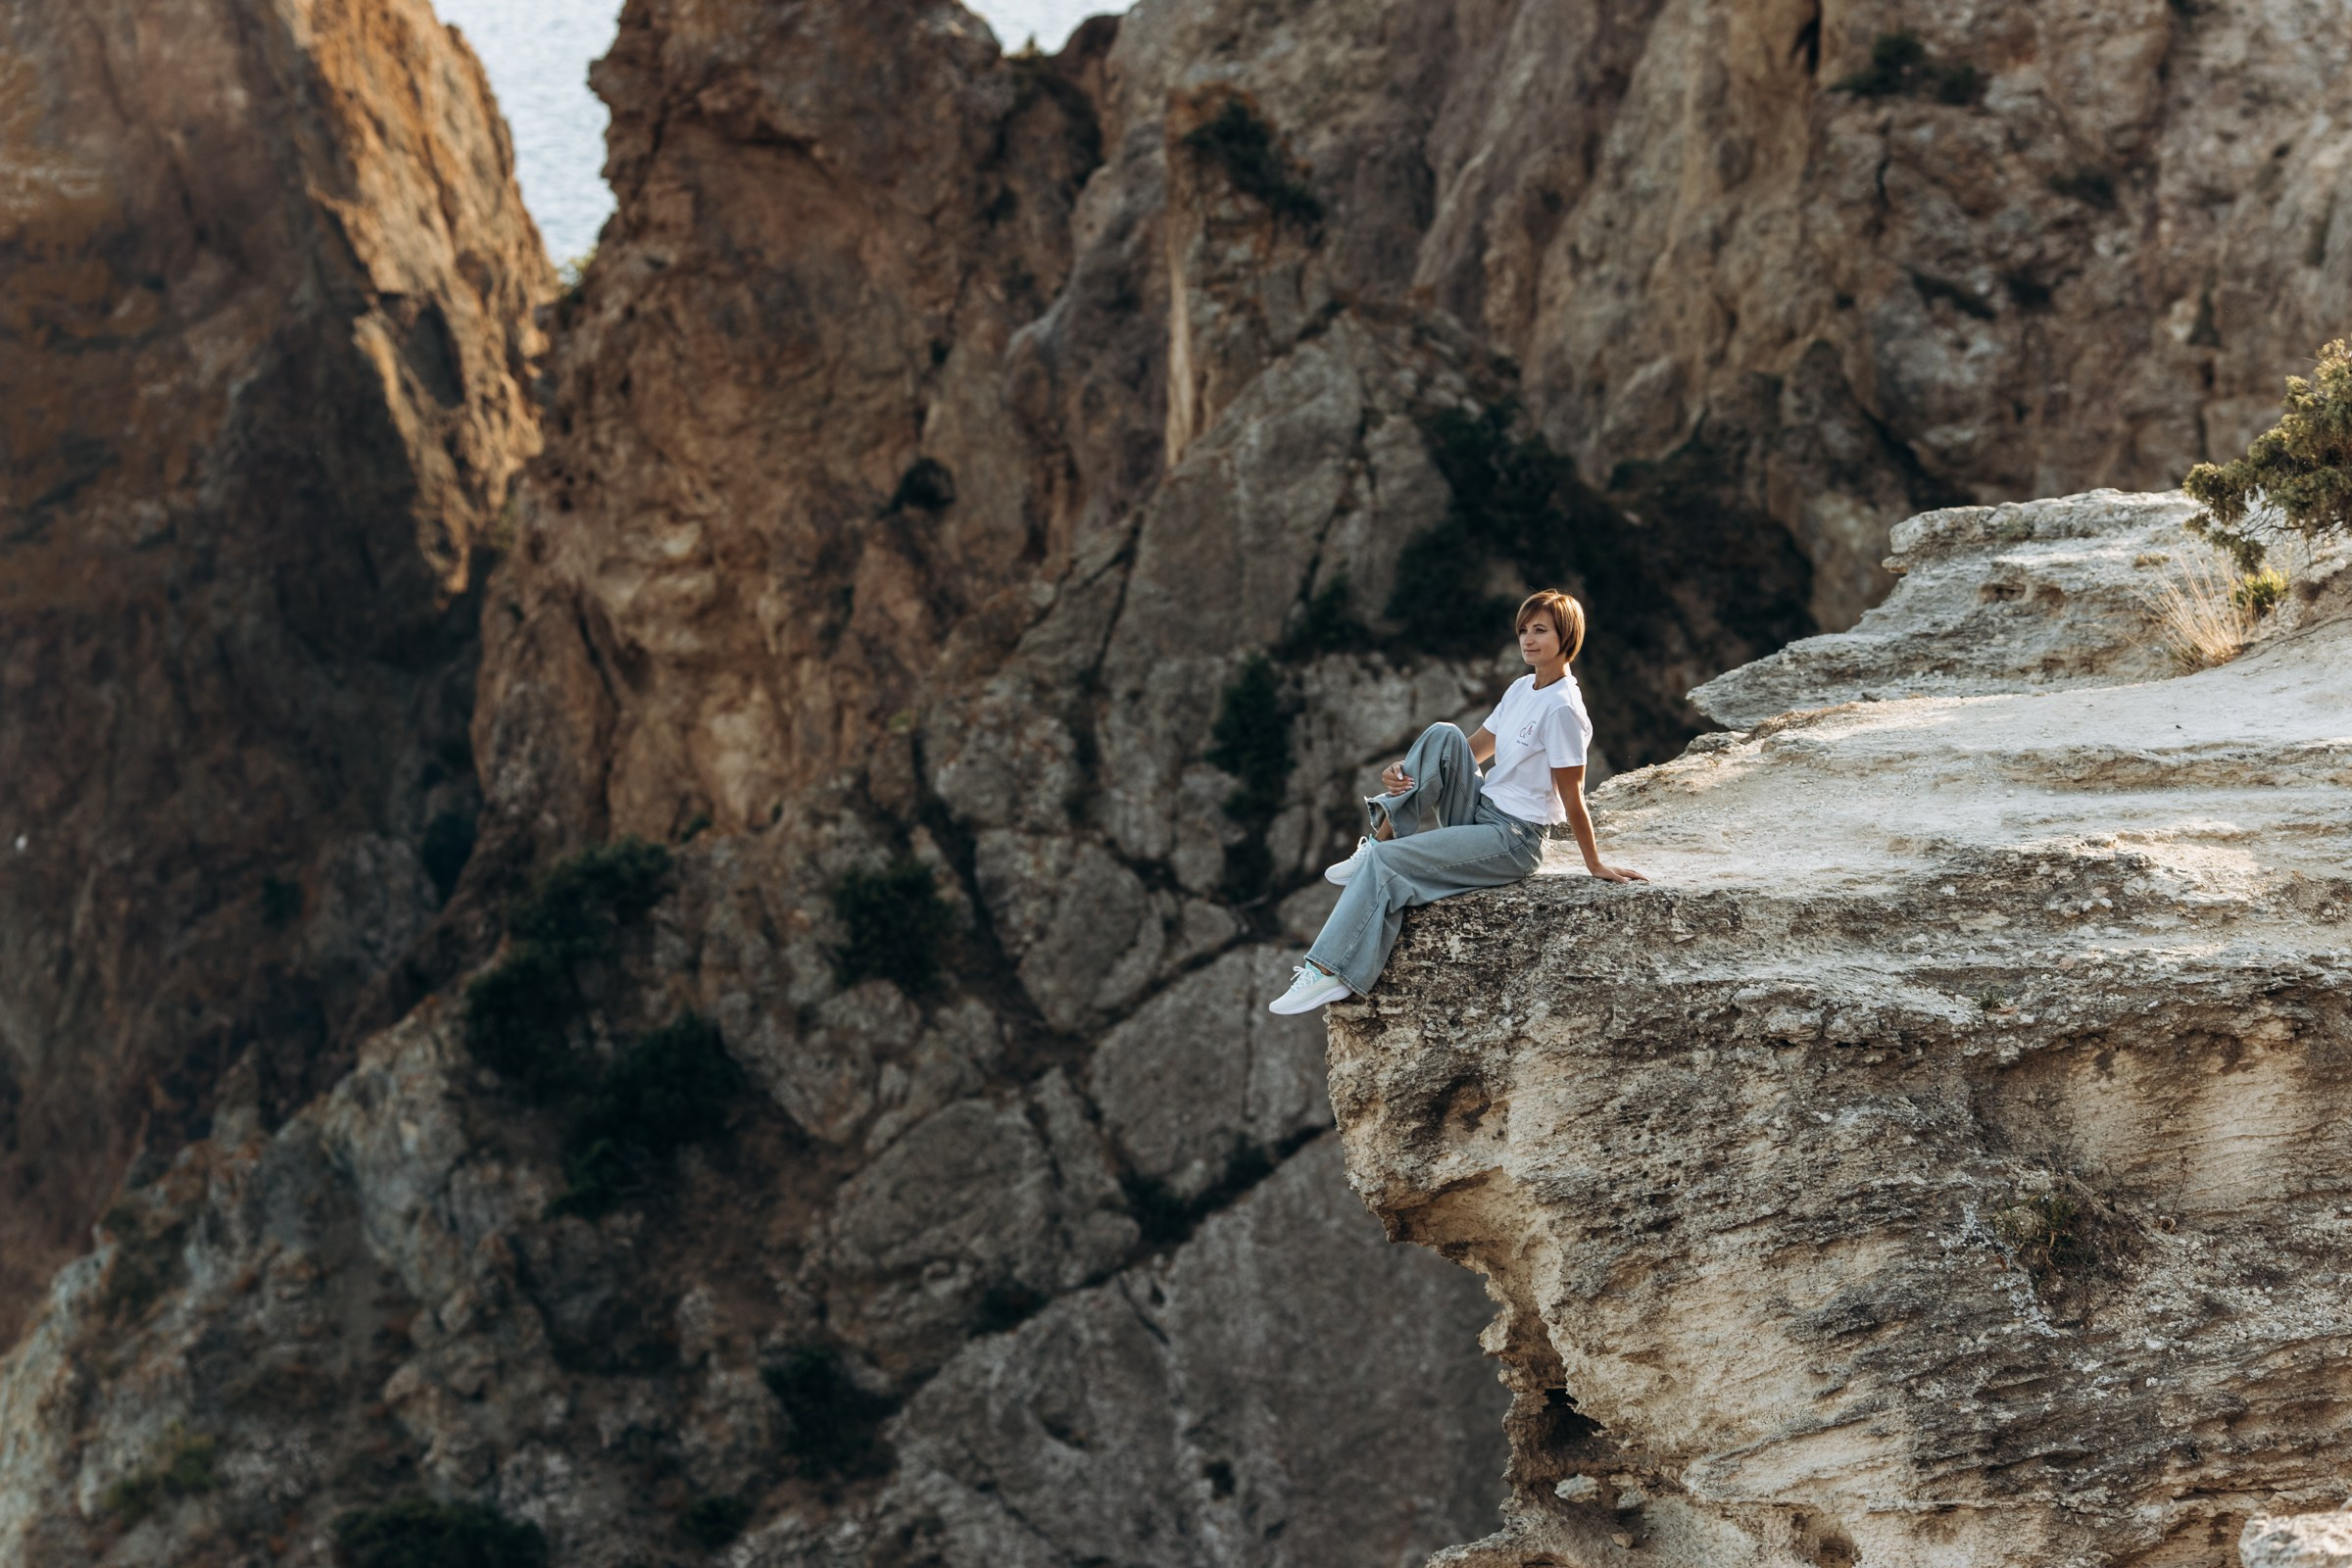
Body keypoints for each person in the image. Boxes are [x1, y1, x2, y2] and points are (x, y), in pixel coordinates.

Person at [1266, 589, 1646, 1014]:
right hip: (1482, 808)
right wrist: (1410, 770)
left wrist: (1594, 863)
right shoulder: (1524, 687)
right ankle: (1379, 838)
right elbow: (1472, 750)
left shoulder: (1563, 710)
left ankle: (1328, 972)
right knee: (1443, 734)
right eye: (1523, 630)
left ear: (1567, 637)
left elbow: (1573, 793)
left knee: (1387, 867)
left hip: (1513, 838)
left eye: (1540, 630)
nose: (1528, 639)